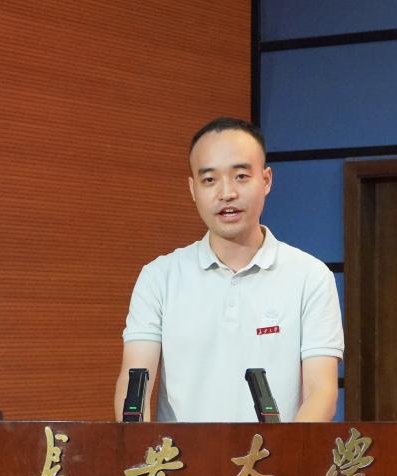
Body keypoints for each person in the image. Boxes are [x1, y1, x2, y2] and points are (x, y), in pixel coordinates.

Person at [113, 117, 344, 422]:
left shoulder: (310, 276)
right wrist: (138, 446)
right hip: (179, 453)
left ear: (266, 180)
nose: (226, 193)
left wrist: (284, 450)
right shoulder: (159, 277)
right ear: (193, 189)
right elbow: (134, 386)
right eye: (209, 180)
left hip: (271, 453)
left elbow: (321, 393)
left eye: (241, 176)